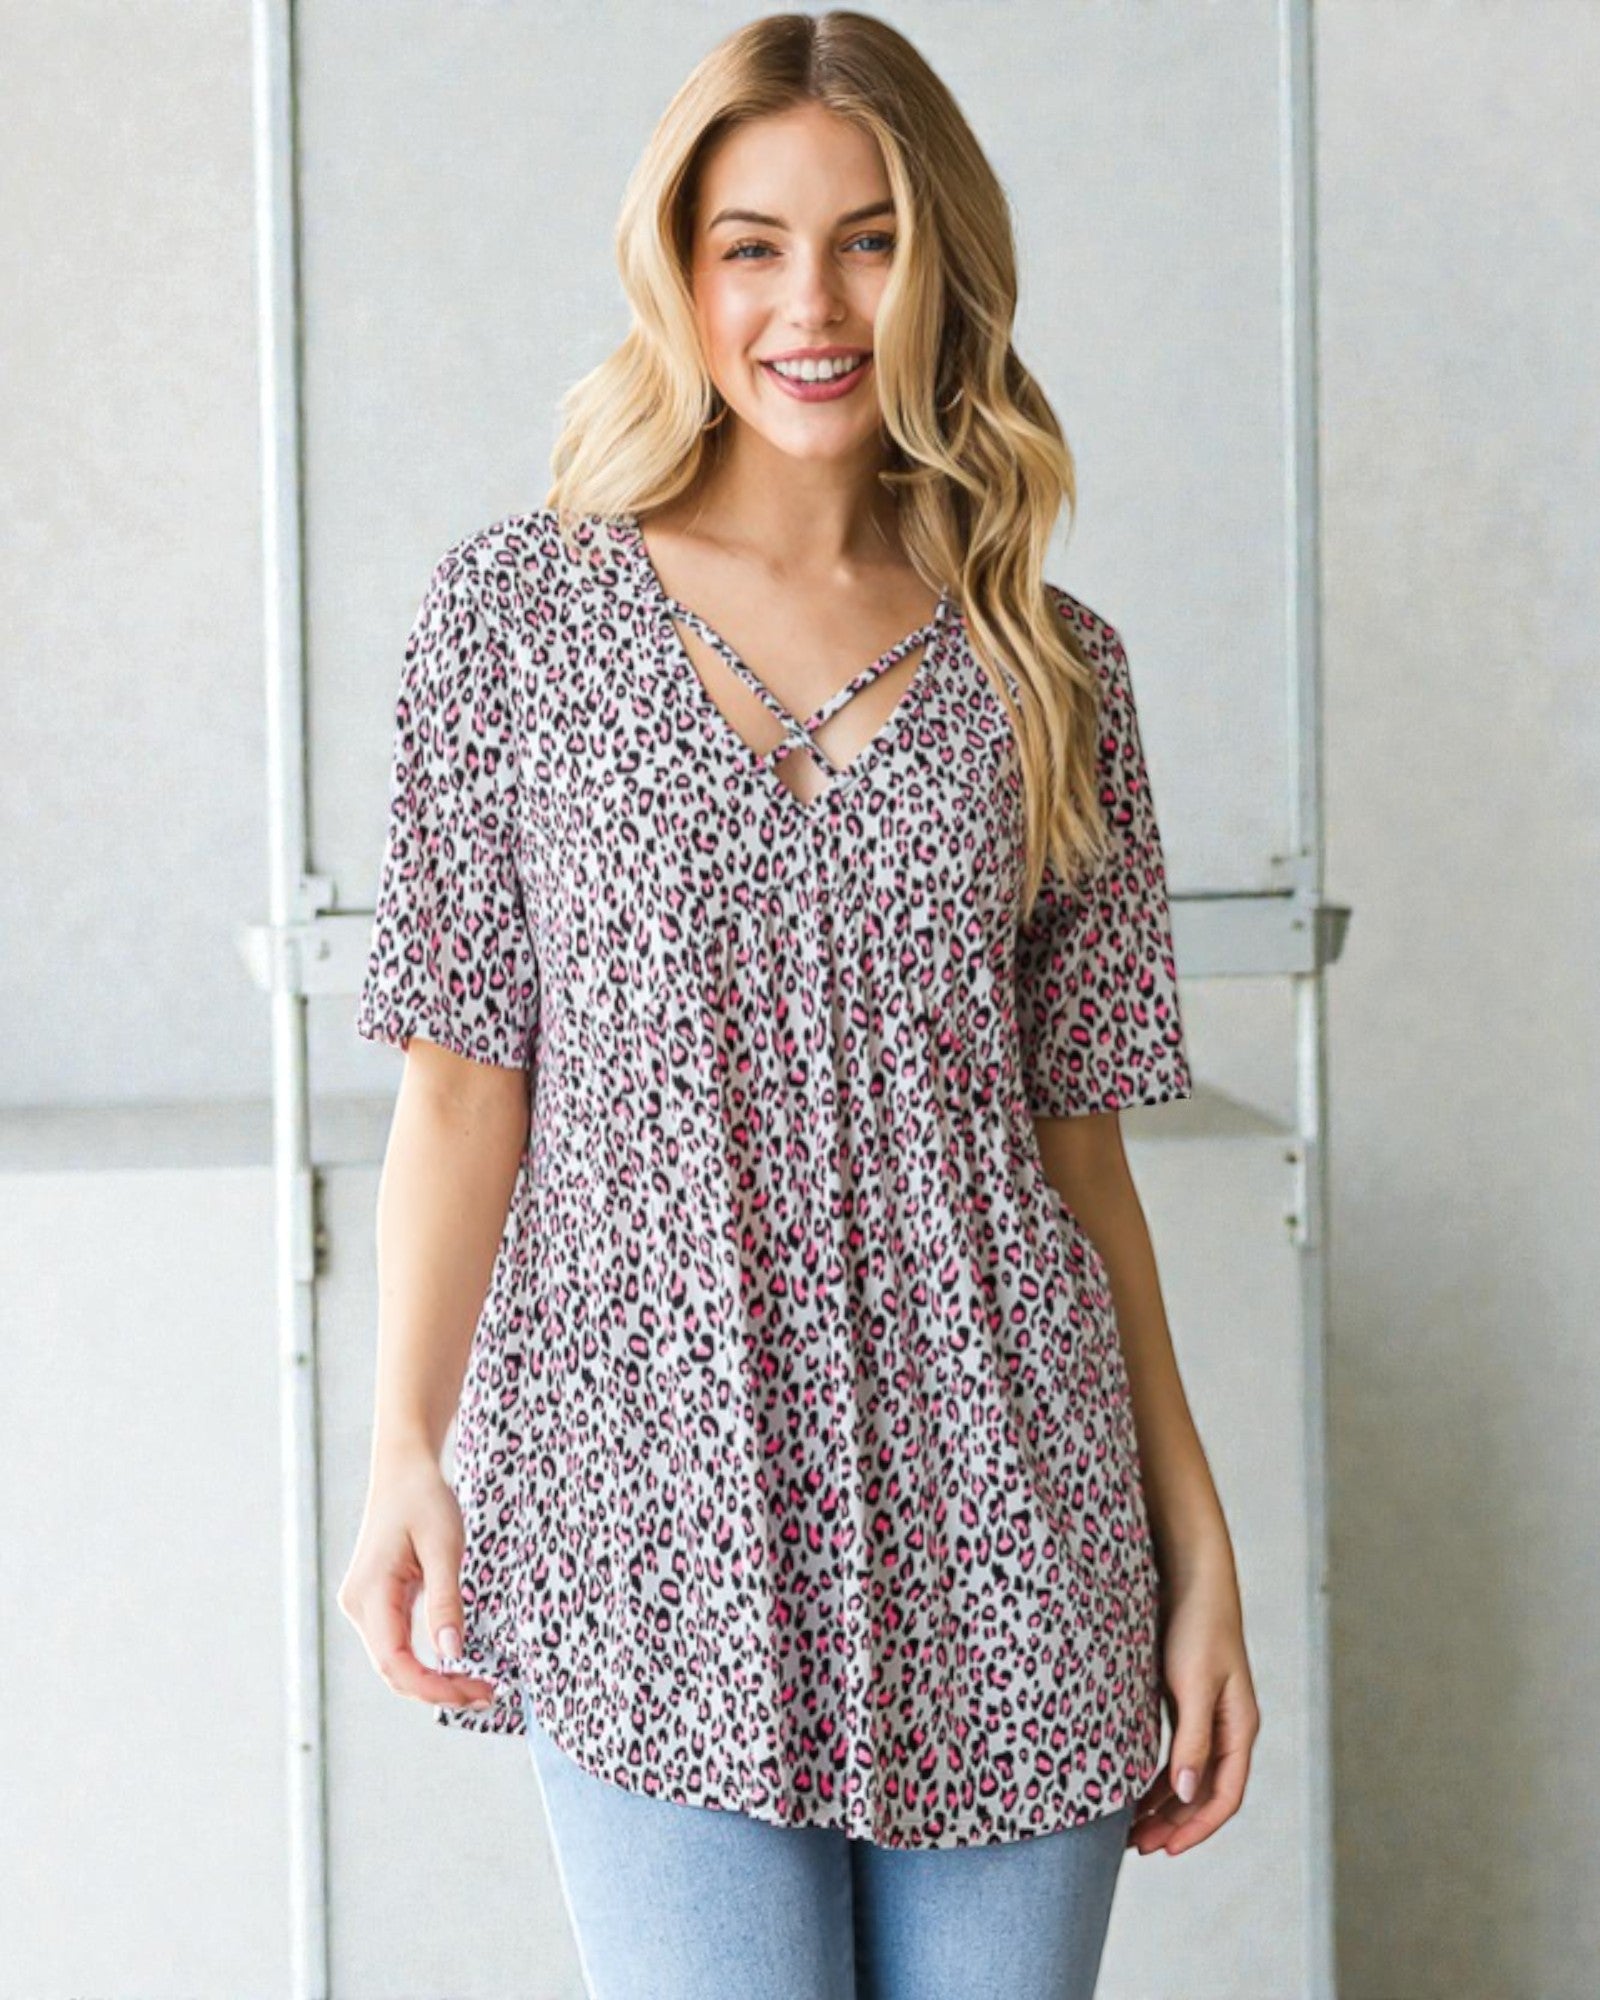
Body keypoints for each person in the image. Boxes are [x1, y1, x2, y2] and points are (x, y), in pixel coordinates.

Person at [337, 11, 1260, 1996]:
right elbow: (462, 1083)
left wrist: (1197, 1552)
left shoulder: (1054, 671)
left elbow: (1080, 1160)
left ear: (945, 268)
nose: (811, 304)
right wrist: (405, 1444)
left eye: (869, 240)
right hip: (643, 1506)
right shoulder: (518, 618)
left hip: (1011, 1517)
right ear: (678, 269)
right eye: (750, 244)